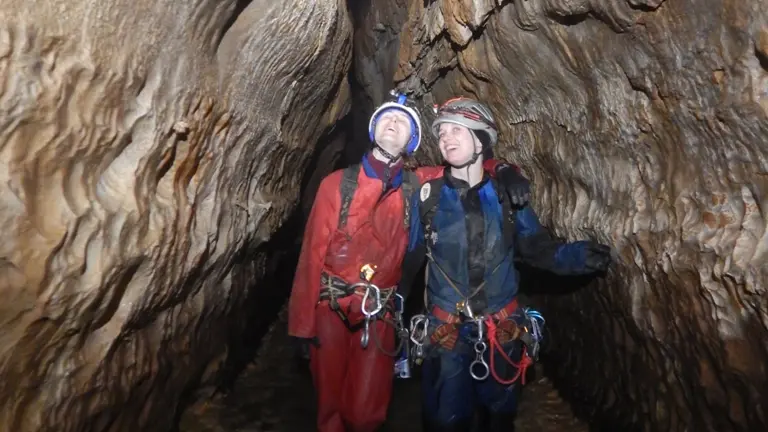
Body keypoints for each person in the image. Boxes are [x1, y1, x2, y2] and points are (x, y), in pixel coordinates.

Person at [287, 91, 533, 432]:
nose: (393, 123)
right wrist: (301, 325)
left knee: (367, 413)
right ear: (373, 130)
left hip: (382, 311)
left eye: (403, 123)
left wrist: (504, 168)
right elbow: (310, 256)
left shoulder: (415, 185)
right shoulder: (336, 185)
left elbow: (468, 162)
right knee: (330, 406)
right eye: (386, 117)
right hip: (332, 305)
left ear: (411, 142)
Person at [400, 97, 613, 432]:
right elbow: (410, 260)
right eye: (442, 134)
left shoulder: (506, 195)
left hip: (501, 331)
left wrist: (576, 258)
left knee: (499, 419)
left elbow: (536, 248)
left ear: (481, 139)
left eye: (457, 130)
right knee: (445, 422)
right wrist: (394, 309)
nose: (446, 139)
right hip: (446, 335)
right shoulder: (429, 197)